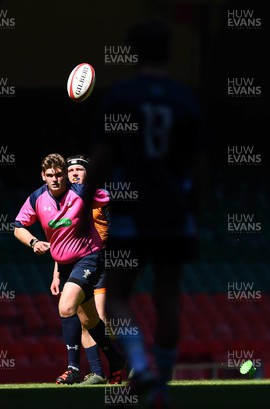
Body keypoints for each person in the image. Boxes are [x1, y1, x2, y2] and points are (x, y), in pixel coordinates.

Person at [81, 17, 209, 408]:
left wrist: (85, 202)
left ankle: (141, 364)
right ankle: (163, 386)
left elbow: (102, 159)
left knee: (117, 296)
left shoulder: (121, 96)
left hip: (132, 211)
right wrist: (195, 212)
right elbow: (202, 166)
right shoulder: (186, 98)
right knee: (167, 297)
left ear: (133, 52)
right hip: (173, 213)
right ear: (169, 52)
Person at [14, 153, 125, 385]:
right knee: (91, 320)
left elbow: (112, 197)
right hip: (64, 266)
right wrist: (34, 242)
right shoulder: (37, 198)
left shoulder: (82, 192)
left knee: (66, 307)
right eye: (50, 175)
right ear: (43, 176)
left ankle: (73, 367)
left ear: (64, 175)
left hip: (89, 259)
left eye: (59, 174)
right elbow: (18, 226)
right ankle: (116, 359)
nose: (55, 179)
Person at [48, 154, 110, 385]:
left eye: (79, 170)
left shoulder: (100, 200)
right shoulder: (64, 201)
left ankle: (132, 363)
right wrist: (56, 272)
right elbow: (62, 240)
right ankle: (97, 372)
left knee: (102, 319)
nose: (74, 173)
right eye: (70, 170)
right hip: (74, 266)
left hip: (101, 263)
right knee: (84, 318)